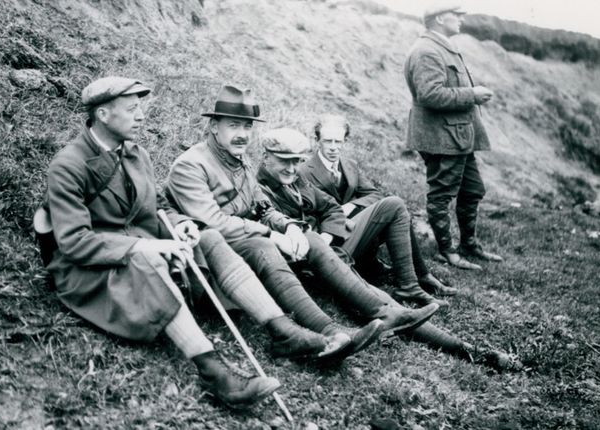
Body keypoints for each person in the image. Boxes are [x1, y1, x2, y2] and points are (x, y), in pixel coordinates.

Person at [41, 77, 348, 408]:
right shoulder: (69, 165)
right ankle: (215, 373)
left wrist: (183, 224)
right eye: (132, 109)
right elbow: (73, 242)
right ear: (102, 114)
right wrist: (146, 247)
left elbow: (158, 205)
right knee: (150, 262)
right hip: (92, 268)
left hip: (142, 249)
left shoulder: (136, 154)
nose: (142, 116)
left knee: (210, 236)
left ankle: (283, 331)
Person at [164, 85, 436, 355]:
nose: (242, 135)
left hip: (245, 241)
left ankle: (383, 312)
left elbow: (262, 206)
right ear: (214, 126)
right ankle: (329, 330)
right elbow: (213, 222)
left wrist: (289, 227)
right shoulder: (191, 164)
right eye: (234, 126)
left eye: (247, 127)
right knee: (264, 246)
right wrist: (271, 234)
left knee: (312, 239)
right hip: (212, 254)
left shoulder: (239, 161)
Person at [256, 128, 523, 372]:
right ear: (266, 157)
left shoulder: (296, 182)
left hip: (328, 255)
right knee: (386, 306)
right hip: (304, 270)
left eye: (296, 161)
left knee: (390, 307)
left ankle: (472, 351)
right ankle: (471, 351)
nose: (292, 168)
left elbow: (331, 208)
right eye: (284, 160)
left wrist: (325, 236)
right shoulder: (260, 190)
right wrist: (313, 240)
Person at [300, 114, 458, 303]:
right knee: (394, 205)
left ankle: (420, 275)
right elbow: (307, 218)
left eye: (338, 141)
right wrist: (336, 218)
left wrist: (350, 207)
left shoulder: (349, 165)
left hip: (354, 232)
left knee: (397, 212)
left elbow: (374, 194)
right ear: (317, 140)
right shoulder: (303, 172)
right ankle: (409, 286)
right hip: (332, 243)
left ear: (345, 141)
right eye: (327, 141)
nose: (333, 147)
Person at [404, 2, 504, 270]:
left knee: (472, 190)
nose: (462, 18)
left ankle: (469, 245)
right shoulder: (426, 51)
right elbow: (430, 94)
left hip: (456, 134)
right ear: (438, 18)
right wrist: (472, 95)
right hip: (442, 136)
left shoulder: (441, 46)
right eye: (456, 14)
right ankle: (447, 251)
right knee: (442, 193)